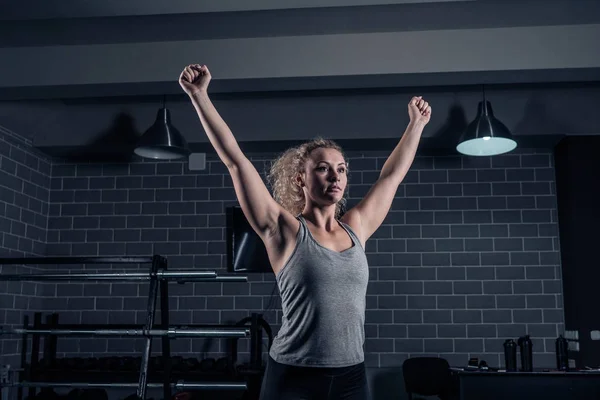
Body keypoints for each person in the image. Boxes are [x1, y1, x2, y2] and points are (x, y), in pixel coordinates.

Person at [179, 64, 431, 400]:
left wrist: (416, 125)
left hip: (352, 375)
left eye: (341, 169)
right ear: (301, 179)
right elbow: (236, 161)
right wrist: (199, 96)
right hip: (294, 377)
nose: (335, 177)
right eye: (324, 169)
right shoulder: (283, 231)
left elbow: (391, 177)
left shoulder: (356, 227)